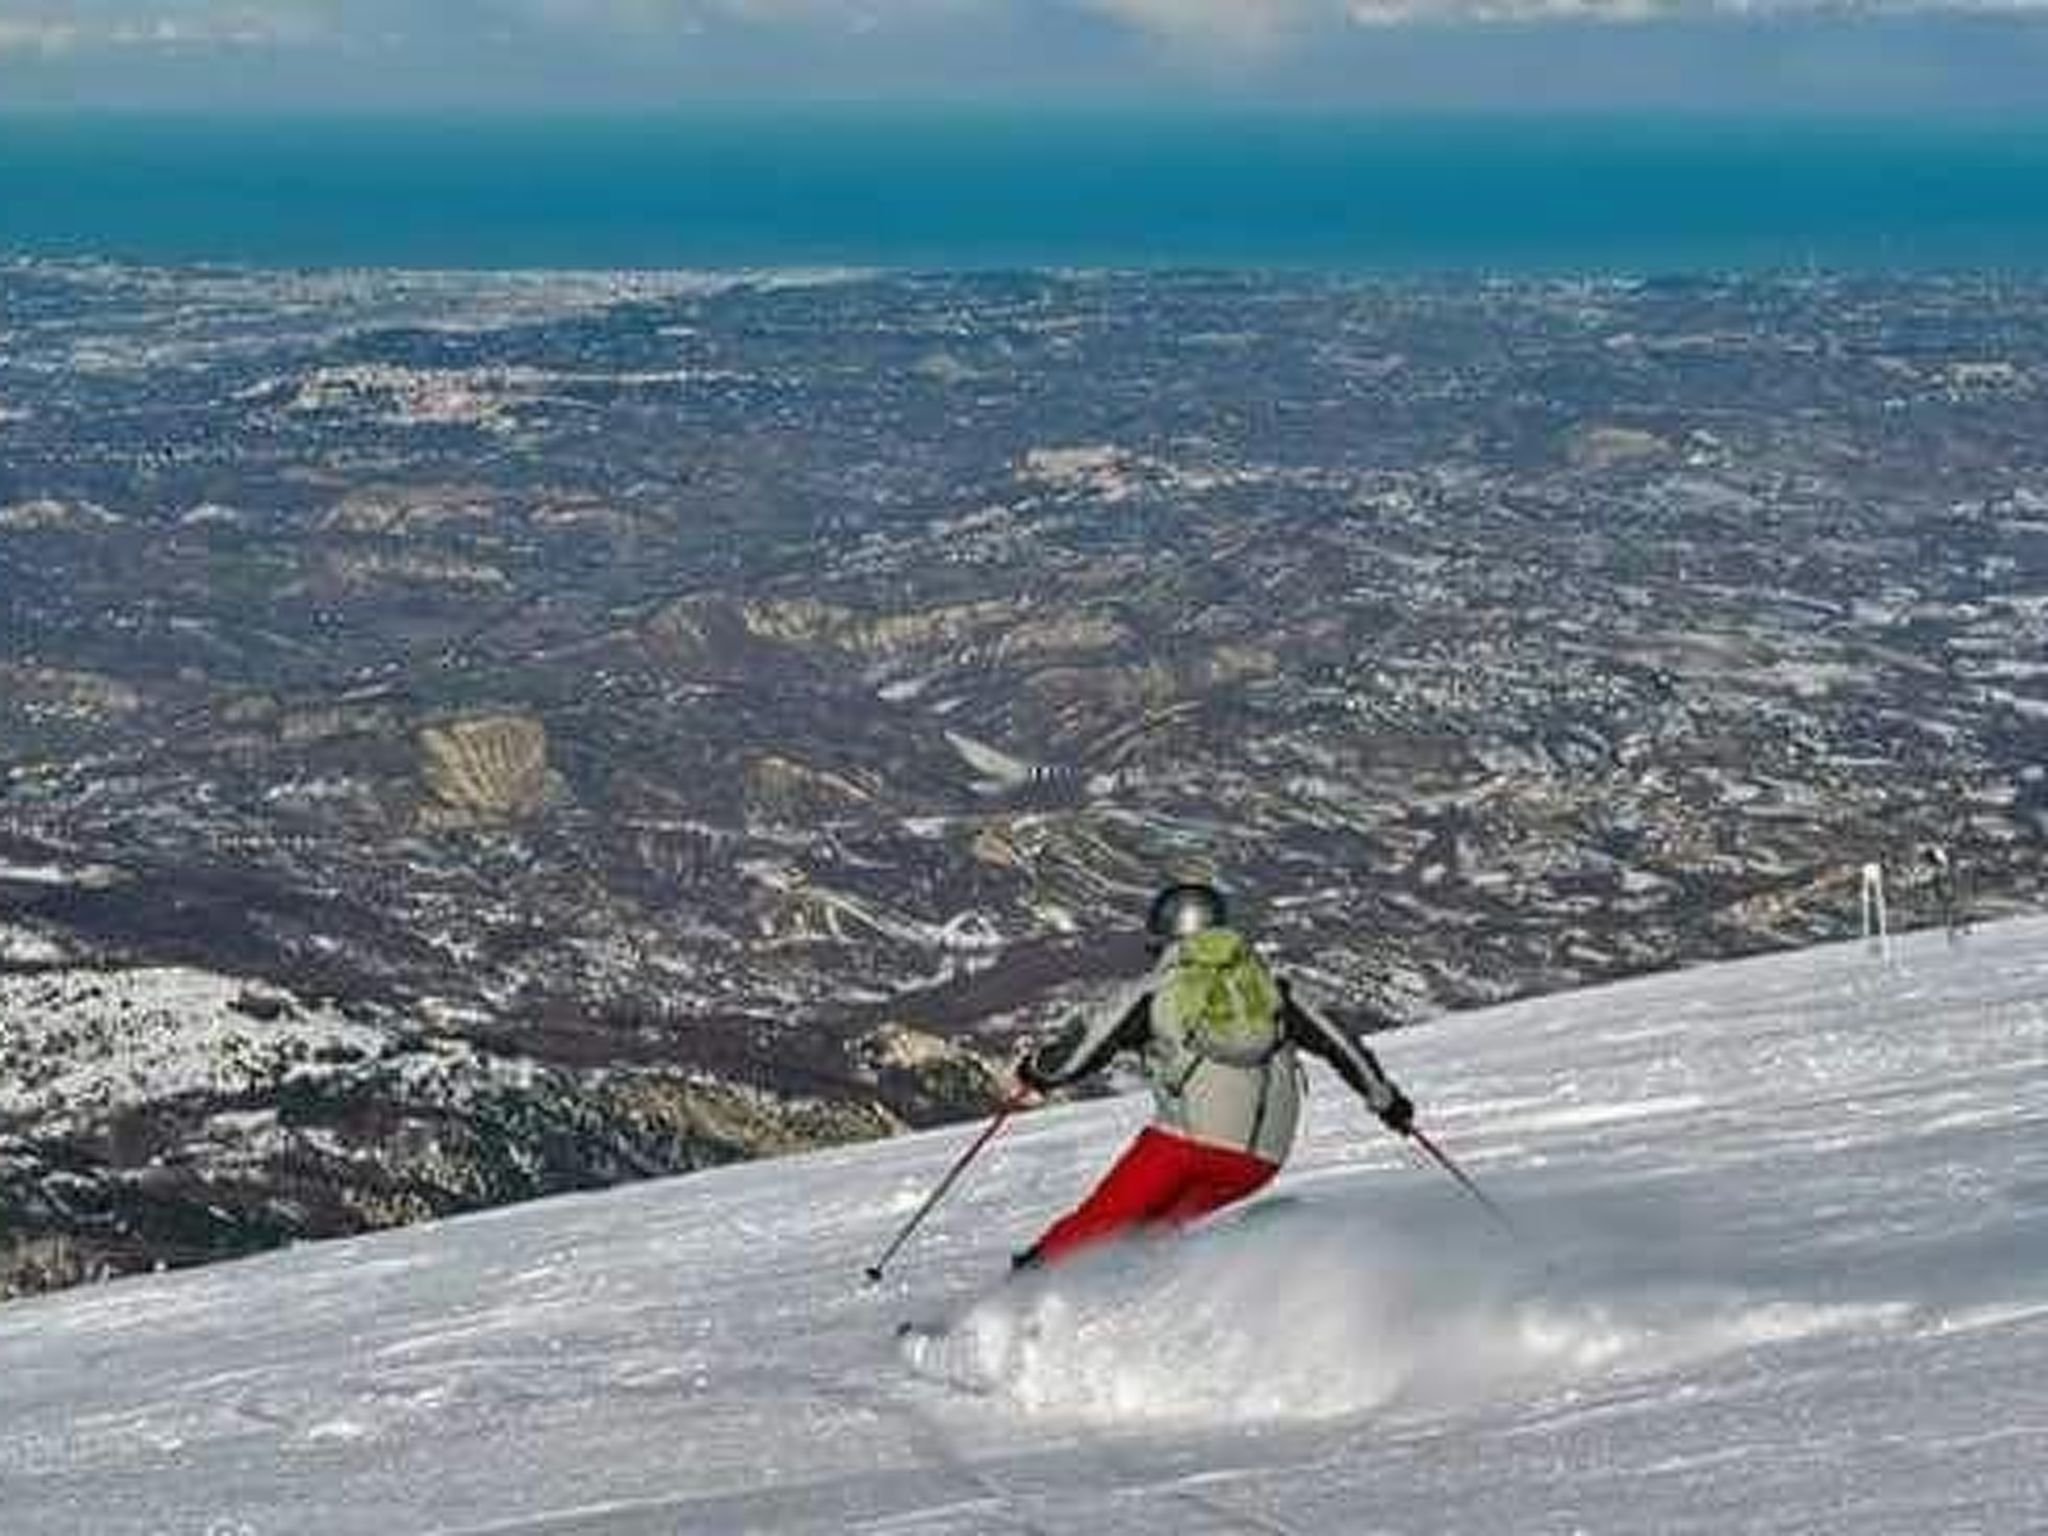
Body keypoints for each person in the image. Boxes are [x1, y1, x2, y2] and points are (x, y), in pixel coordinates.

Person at [1010, 880, 1417, 1269]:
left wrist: (1037, 1073)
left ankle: (1020, 1292)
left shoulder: (1156, 991)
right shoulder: (1273, 989)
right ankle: (1132, 1301)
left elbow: (1078, 1057)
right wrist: (1388, 1104)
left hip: (1184, 1148)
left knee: (1098, 1223)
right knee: (1147, 1233)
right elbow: (1342, 1045)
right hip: (1260, 1160)